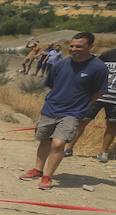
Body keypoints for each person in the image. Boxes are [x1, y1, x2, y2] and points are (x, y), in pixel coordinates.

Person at [20, 33, 108, 189]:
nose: (74, 49)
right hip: (51, 108)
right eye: (72, 46)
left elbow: (99, 91)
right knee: (45, 140)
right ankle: (38, 169)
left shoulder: (98, 67)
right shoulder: (60, 64)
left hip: (73, 113)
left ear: (90, 47)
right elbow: (51, 84)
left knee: (58, 143)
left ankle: (47, 176)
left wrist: (83, 105)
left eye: (79, 46)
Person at [63, 47, 116, 162]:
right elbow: (93, 69)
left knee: (112, 126)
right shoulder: (107, 55)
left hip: (115, 100)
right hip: (97, 95)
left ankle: (103, 152)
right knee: (82, 121)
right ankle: (69, 148)